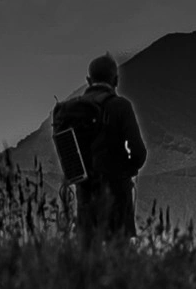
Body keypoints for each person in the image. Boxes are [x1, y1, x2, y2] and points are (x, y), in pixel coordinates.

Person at [51, 53, 149, 244]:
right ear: (116, 80)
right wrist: (127, 170)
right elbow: (139, 153)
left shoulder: (72, 111)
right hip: (117, 193)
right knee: (119, 256)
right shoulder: (121, 107)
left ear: (88, 80)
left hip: (85, 192)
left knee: (88, 253)